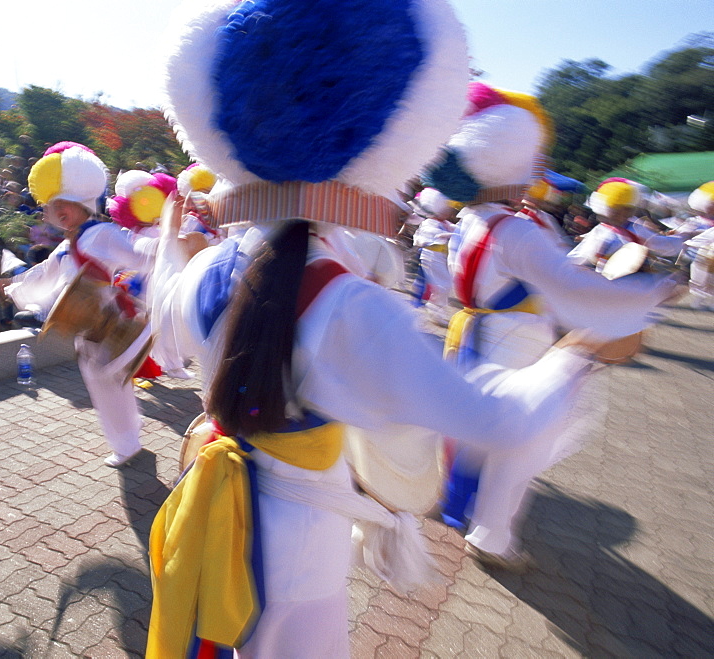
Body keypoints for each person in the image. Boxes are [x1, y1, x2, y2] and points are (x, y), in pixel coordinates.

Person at [143, 3, 611, 656]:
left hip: (207, 507)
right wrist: (576, 353)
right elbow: (497, 420)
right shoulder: (352, 304)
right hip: (301, 540)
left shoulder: (207, 273)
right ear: (387, 141)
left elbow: (164, 334)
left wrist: (173, 236)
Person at [423, 84, 678, 569]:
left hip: (472, 333)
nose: (537, 167)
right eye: (531, 157)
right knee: (519, 445)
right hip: (514, 343)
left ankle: (450, 503)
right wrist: (651, 293)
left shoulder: (470, 219)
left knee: (466, 433)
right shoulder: (515, 229)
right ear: (505, 161)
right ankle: (491, 535)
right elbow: (571, 285)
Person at [4, 142, 156, 467]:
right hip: (86, 328)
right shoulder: (68, 242)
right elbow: (46, 273)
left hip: (111, 322)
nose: (53, 212)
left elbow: (141, 259)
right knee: (110, 385)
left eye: (60, 204)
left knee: (107, 387)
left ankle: (126, 444)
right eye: (51, 205)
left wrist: (164, 245)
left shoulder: (101, 233)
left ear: (76, 205)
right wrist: (16, 285)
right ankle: (130, 432)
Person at [568, 178, 684, 272]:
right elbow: (578, 258)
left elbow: (665, 246)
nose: (623, 215)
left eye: (627, 210)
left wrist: (683, 238)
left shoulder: (635, 228)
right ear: (604, 209)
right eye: (617, 211)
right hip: (604, 282)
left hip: (630, 282)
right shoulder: (601, 230)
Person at [410, 187, 457, 324]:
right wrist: (451, 235)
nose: (449, 212)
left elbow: (457, 230)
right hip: (431, 256)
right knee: (443, 285)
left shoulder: (446, 223)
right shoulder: (429, 222)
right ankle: (435, 310)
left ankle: (436, 310)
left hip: (441, 257)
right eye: (446, 209)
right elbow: (433, 236)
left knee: (445, 285)